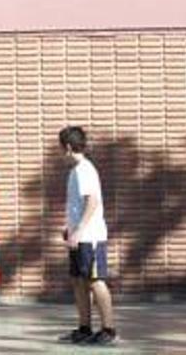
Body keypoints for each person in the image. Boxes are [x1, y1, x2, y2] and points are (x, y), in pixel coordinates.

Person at [57, 126, 116, 346]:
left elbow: (92, 202)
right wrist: (70, 228)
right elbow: (77, 205)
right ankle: (84, 328)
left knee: (95, 281)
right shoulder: (75, 170)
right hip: (78, 237)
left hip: (90, 237)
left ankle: (109, 329)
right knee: (78, 282)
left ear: (68, 147)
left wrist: (80, 229)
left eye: (61, 147)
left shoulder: (85, 169)